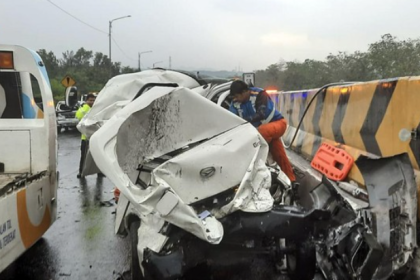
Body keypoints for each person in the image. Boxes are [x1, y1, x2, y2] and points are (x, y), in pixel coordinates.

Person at [229, 80, 296, 184]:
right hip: (262, 132)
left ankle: (260, 165)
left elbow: (261, 114)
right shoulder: (235, 103)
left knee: (259, 134)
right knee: (280, 155)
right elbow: (231, 120)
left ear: (244, 92)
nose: (235, 99)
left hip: (278, 124)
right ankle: (292, 181)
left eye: (237, 96)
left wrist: (245, 122)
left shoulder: (260, 94)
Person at [75, 93, 102, 178]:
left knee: (98, 156)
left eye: (93, 100)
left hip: (97, 136)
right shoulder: (84, 108)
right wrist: (86, 107)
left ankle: (99, 172)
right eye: (90, 100)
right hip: (86, 137)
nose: (92, 102)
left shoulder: (98, 108)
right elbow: (78, 116)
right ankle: (81, 172)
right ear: (86, 101)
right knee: (84, 156)